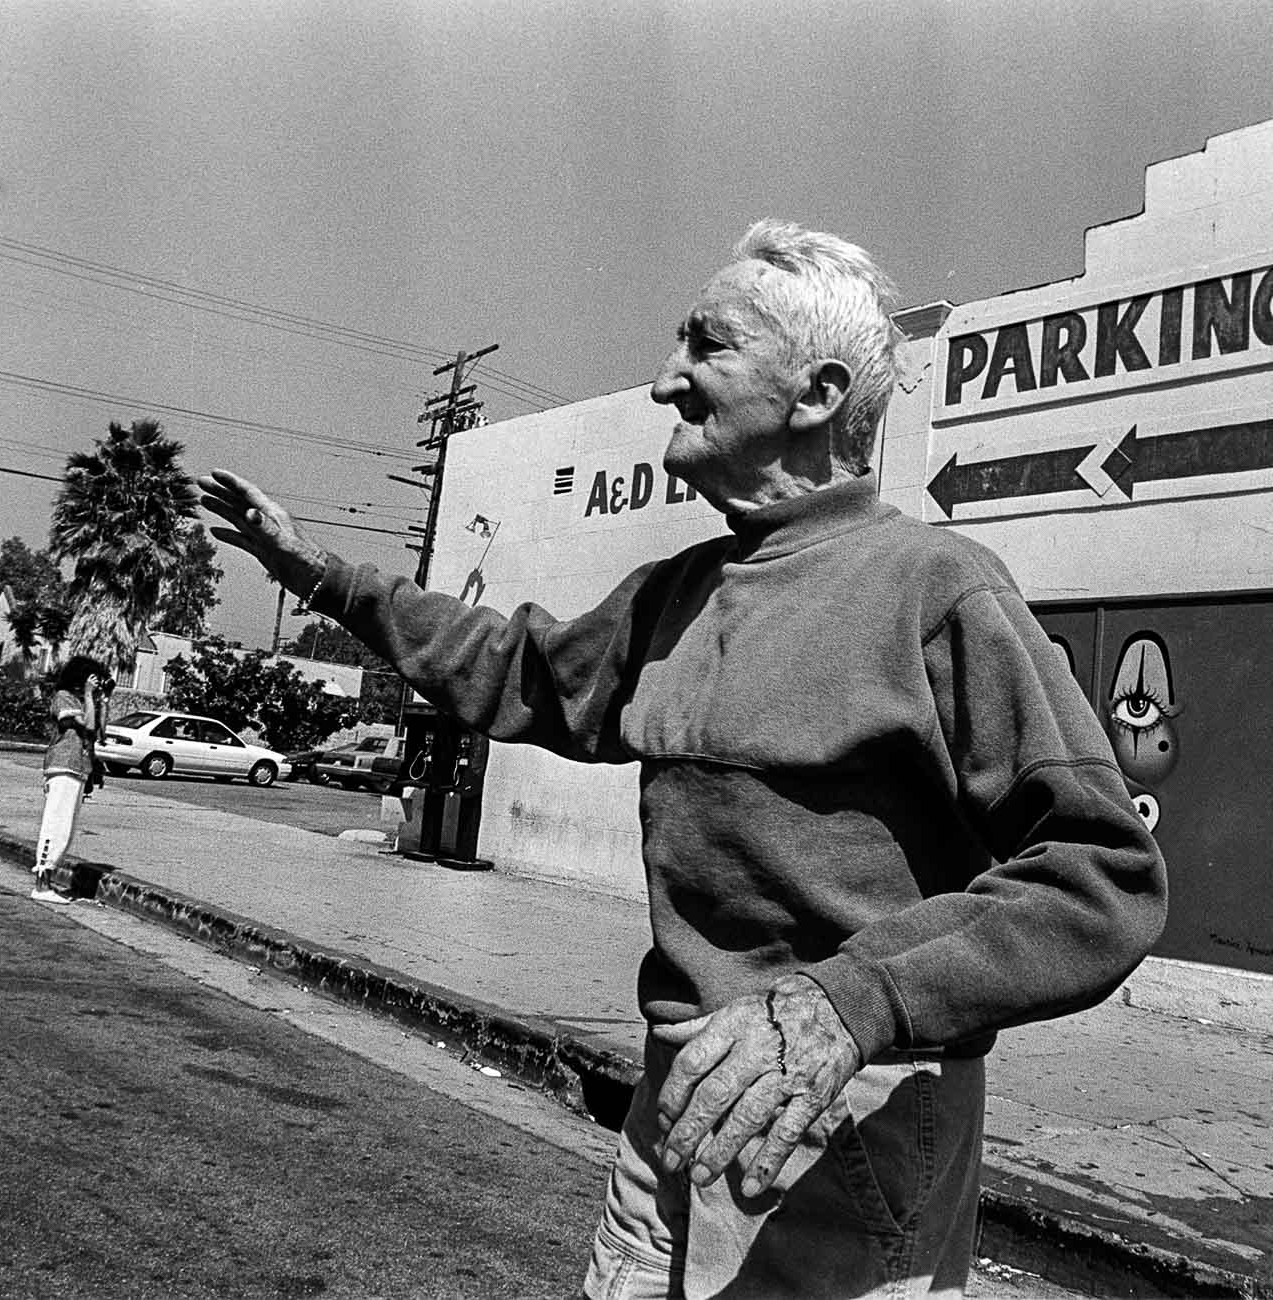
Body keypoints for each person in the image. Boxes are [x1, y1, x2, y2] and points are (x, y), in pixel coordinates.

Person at [198, 220, 1168, 1299]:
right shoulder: (681, 590)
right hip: (671, 1110)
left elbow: (1102, 874)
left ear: (814, 392)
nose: (667, 381)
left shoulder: (936, 586)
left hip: (840, 1122)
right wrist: (331, 580)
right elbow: (521, 670)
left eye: (706, 346)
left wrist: (854, 1003)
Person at [32, 654, 113, 905]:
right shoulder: (63, 698)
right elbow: (86, 726)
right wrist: (89, 695)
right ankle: (41, 884)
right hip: (63, 766)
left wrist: (105, 700)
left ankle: (48, 879)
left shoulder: (81, 701)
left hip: (79, 768)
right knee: (55, 823)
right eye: (92, 678)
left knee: (66, 828)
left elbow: (100, 731)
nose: (95, 683)